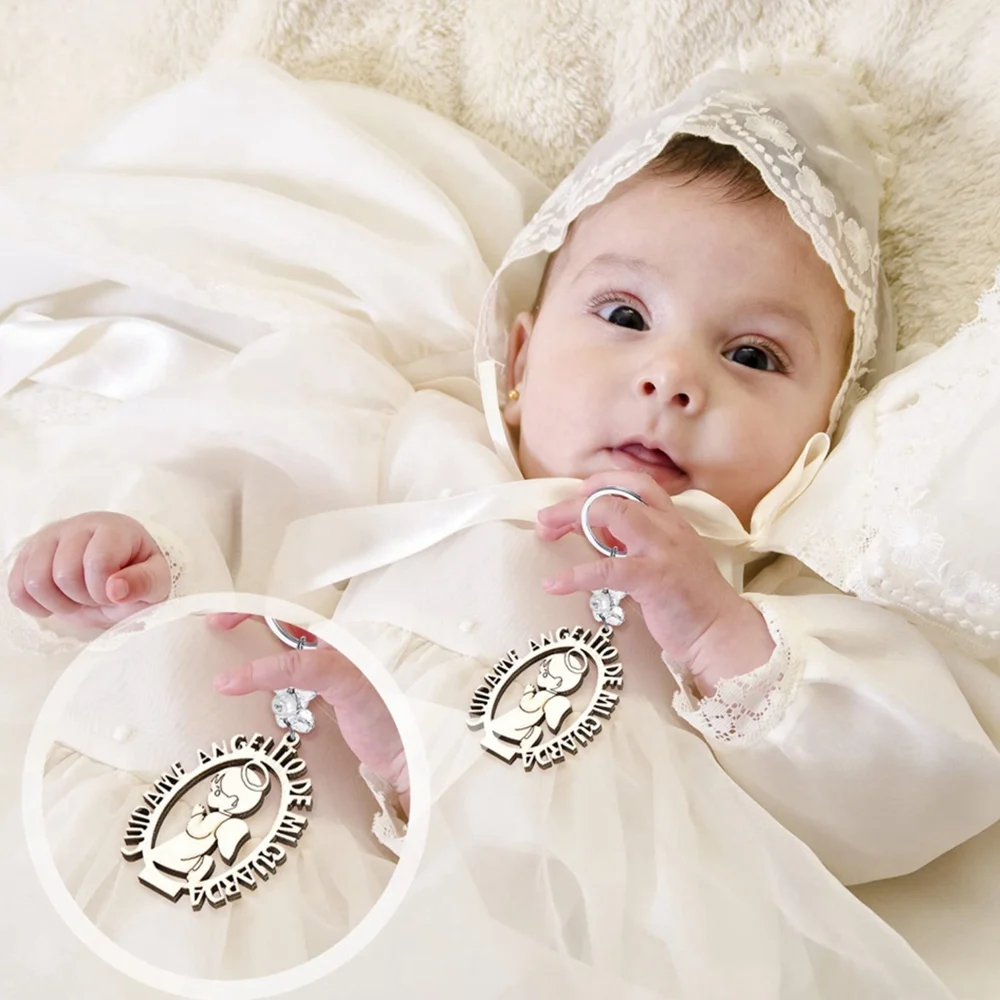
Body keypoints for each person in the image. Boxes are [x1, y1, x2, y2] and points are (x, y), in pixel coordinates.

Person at [5, 56, 999, 995]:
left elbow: (907, 795)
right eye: (621, 314)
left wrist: (711, 633)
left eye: (751, 354)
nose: (671, 377)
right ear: (518, 360)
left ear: (819, 438)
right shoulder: (412, 440)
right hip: (299, 849)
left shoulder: (753, 594)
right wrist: (141, 547)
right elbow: (241, 467)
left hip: (554, 931)